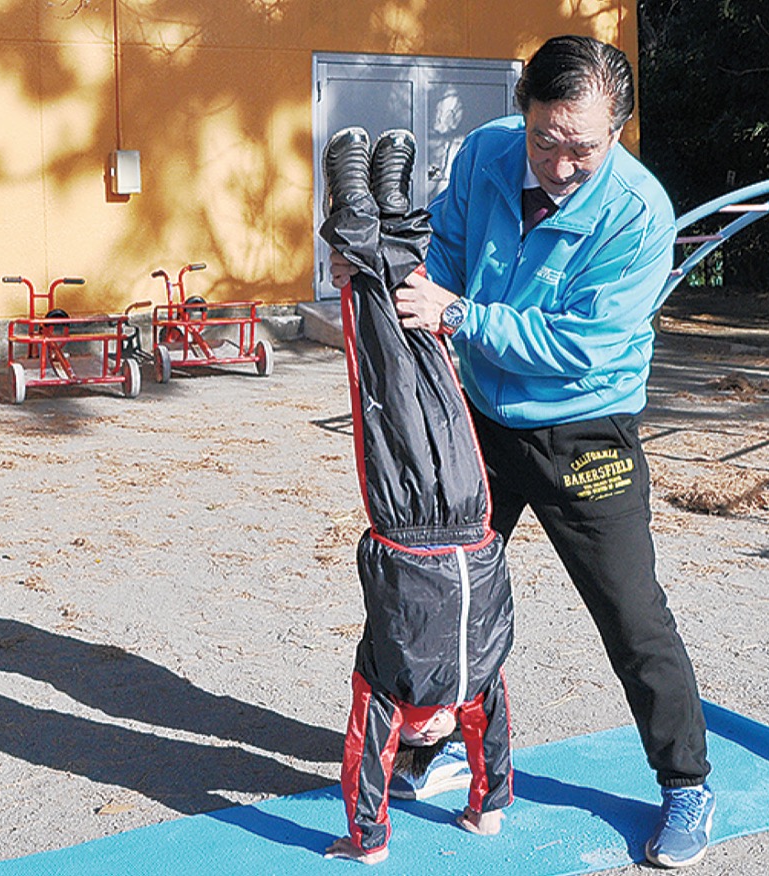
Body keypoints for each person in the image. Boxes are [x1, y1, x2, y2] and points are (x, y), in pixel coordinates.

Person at [330, 35, 714, 869]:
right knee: (429, 585)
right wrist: (376, 275)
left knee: (632, 615)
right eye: (546, 138)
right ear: (524, 110)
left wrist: (459, 315)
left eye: (585, 146)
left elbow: (583, 346)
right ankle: (425, 745)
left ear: (617, 131)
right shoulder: (486, 157)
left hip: (585, 429)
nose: (562, 162)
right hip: (484, 418)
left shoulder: (639, 215)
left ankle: (686, 781)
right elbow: (445, 263)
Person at [317, 126, 515, 865]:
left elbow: (488, 742)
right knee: (395, 348)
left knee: (417, 367)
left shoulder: (477, 677)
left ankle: (385, 203)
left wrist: (489, 809)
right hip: (430, 509)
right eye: (427, 741)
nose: (429, 738)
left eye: (419, 745)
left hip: (463, 506)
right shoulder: (399, 680)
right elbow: (366, 756)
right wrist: (367, 841)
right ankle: (370, 205)